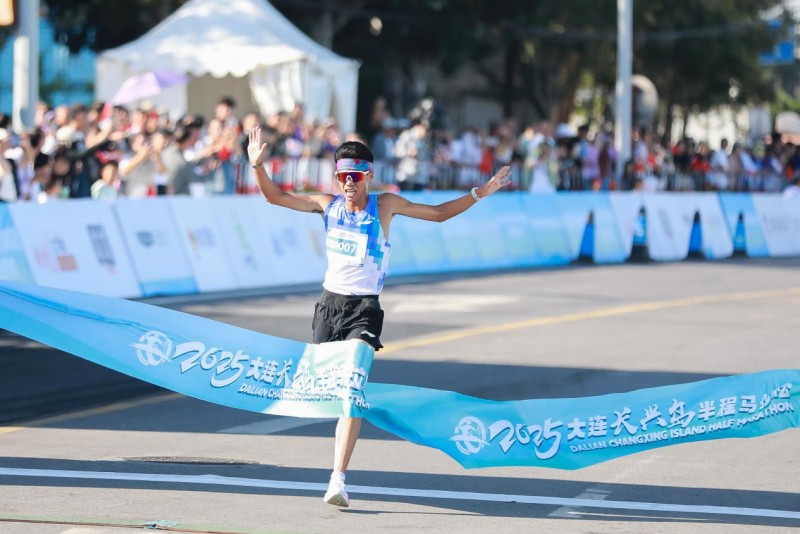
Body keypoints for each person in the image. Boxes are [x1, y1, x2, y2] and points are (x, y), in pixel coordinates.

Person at [247, 127, 511, 508]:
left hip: (365, 311)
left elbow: (437, 215)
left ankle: (337, 478)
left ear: (369, 175)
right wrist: (257, 166)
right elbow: (275, 197)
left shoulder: (384, 206)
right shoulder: (326, 205)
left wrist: (479, 193)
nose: (348, 184)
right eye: (342, 176)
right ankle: (337, 454)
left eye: (355, 177)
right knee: (331, 392)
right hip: (329, 309)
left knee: (351, 391)